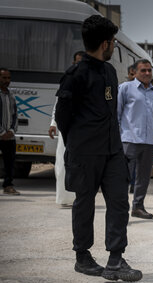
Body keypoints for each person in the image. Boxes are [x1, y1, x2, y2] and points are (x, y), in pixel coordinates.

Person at [55, 15, 142, 282]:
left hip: (112, 150)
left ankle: (116, 258)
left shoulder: (109, 72)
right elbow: (62, 117)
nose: (114, 46)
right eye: (113, 41)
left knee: (118, 201)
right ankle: (82, 256)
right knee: (85, 203)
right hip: (85, 152)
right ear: (105, 43)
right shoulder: (76, 74)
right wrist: (79, 145)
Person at [117, 59, 153, 220]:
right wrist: (115, 137)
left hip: (150, 142)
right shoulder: (125, 88)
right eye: (143, 70)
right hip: (129, 140)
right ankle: (120, 209)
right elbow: (117, 114)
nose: (147, 73)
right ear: (134, 72)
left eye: (149, 70)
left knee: (143, 176)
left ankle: (138, 207)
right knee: (123, 176)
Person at [49, 51, 86, 206]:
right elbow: (59, 104)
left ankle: (79, 197)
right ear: (73, 63)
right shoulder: (68, 79)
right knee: (62, 164)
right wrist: (53, 123)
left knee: (81, 165)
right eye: (77, 62)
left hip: (84, 131)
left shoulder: (89, 80)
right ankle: (63, 198)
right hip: (66, 130)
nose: (79, 66)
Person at [0, 68, 19, 195]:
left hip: (9, 136)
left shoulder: (11, 95)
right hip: (1, 135)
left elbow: (15, 115)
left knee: (9, 162)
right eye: (4, 78)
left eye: (9, 78)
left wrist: (11, 131)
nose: (7, 81)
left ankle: (8, 185)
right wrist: (1, 133)